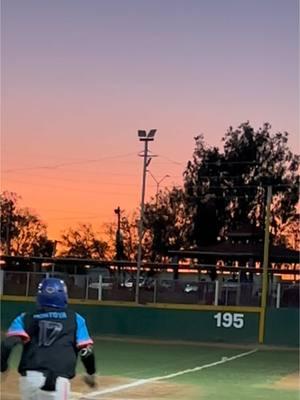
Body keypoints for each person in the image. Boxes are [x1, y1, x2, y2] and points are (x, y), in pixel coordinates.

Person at [1, 277, 97, 399]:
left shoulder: (25, 318)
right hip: (57, 382)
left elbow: (7, 344)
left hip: (29, 379)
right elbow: (86, 352)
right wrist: (90, 374)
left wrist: (2, 368)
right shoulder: (76, 319)